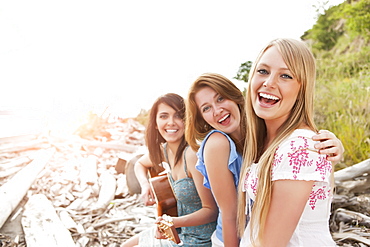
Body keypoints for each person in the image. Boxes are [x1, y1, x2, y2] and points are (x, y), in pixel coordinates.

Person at [185, 73, 343, 247]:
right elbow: (230, 215)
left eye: (221, 99)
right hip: (233, 241)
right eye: (206, 108)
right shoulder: (217, 144)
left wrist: (332, 144)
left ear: (235, 96)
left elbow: (294, 145)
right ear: (202, 119)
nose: (217, 110)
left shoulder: (263, 130)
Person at [238, 38, 337, 246]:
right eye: (263, 71)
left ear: (302, 89)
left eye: (285, 75)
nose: (269, 82)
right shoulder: (267, 140)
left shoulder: (299, 147)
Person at [122, 93, 218, 247]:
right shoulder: (165, 151)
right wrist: (145, 185)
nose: (171, 123)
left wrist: (174, 222)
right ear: (155, 122)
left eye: (178, 116)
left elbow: (211, 211)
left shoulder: (192, 155)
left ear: (188, 120)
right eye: (164, 116)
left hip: (200, 241)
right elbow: (139, 164)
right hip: (179, 234)